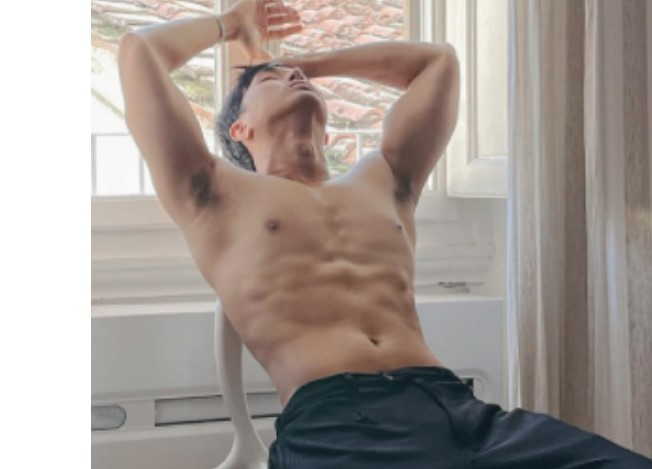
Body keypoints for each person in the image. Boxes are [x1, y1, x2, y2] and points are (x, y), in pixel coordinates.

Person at [117, 0, 652, 467]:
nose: (295, 78)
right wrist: (232, 23)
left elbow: (437, 63)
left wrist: (299, 63)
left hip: (456, 409)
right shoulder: (214, 193)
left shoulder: (382, 179)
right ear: (240, 128)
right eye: (270, 80)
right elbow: (139, 53)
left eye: (299, 77)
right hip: (338, 424)